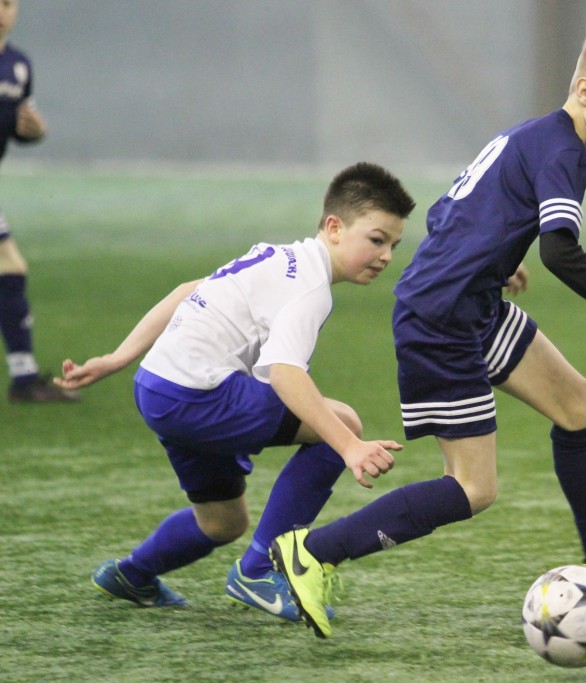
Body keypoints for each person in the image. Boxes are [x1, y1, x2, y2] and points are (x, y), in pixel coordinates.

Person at [271, 20, 586, 639]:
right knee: (472, 488)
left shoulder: (530, 134)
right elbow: (561, 253)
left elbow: (450, 209)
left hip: (470, 301)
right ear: (584, 90)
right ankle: (312, 551)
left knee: (578, 405)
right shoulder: (565, 154)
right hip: (441, 319)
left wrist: (492, 258)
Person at [55, 163, 416, 620]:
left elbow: (188, 291)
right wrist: (349, 447)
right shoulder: (310, 288)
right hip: (197, 394)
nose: (385, 256)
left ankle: (131, 575)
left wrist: (118, 358)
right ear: (334, 227)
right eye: (377, 239)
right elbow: (285, 373)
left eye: (393, 245)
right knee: (341, 423)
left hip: (157, 387)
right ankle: (258, 572)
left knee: (223, 522)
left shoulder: (275, 255)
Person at [0, 0, 77, 402]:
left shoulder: (18, 66)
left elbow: (17, 125)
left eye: (8, 3)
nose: (2, 10)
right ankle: (25, 379)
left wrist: (35, 131)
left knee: (9, 266)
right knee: (9, 265)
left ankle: (25, 376)